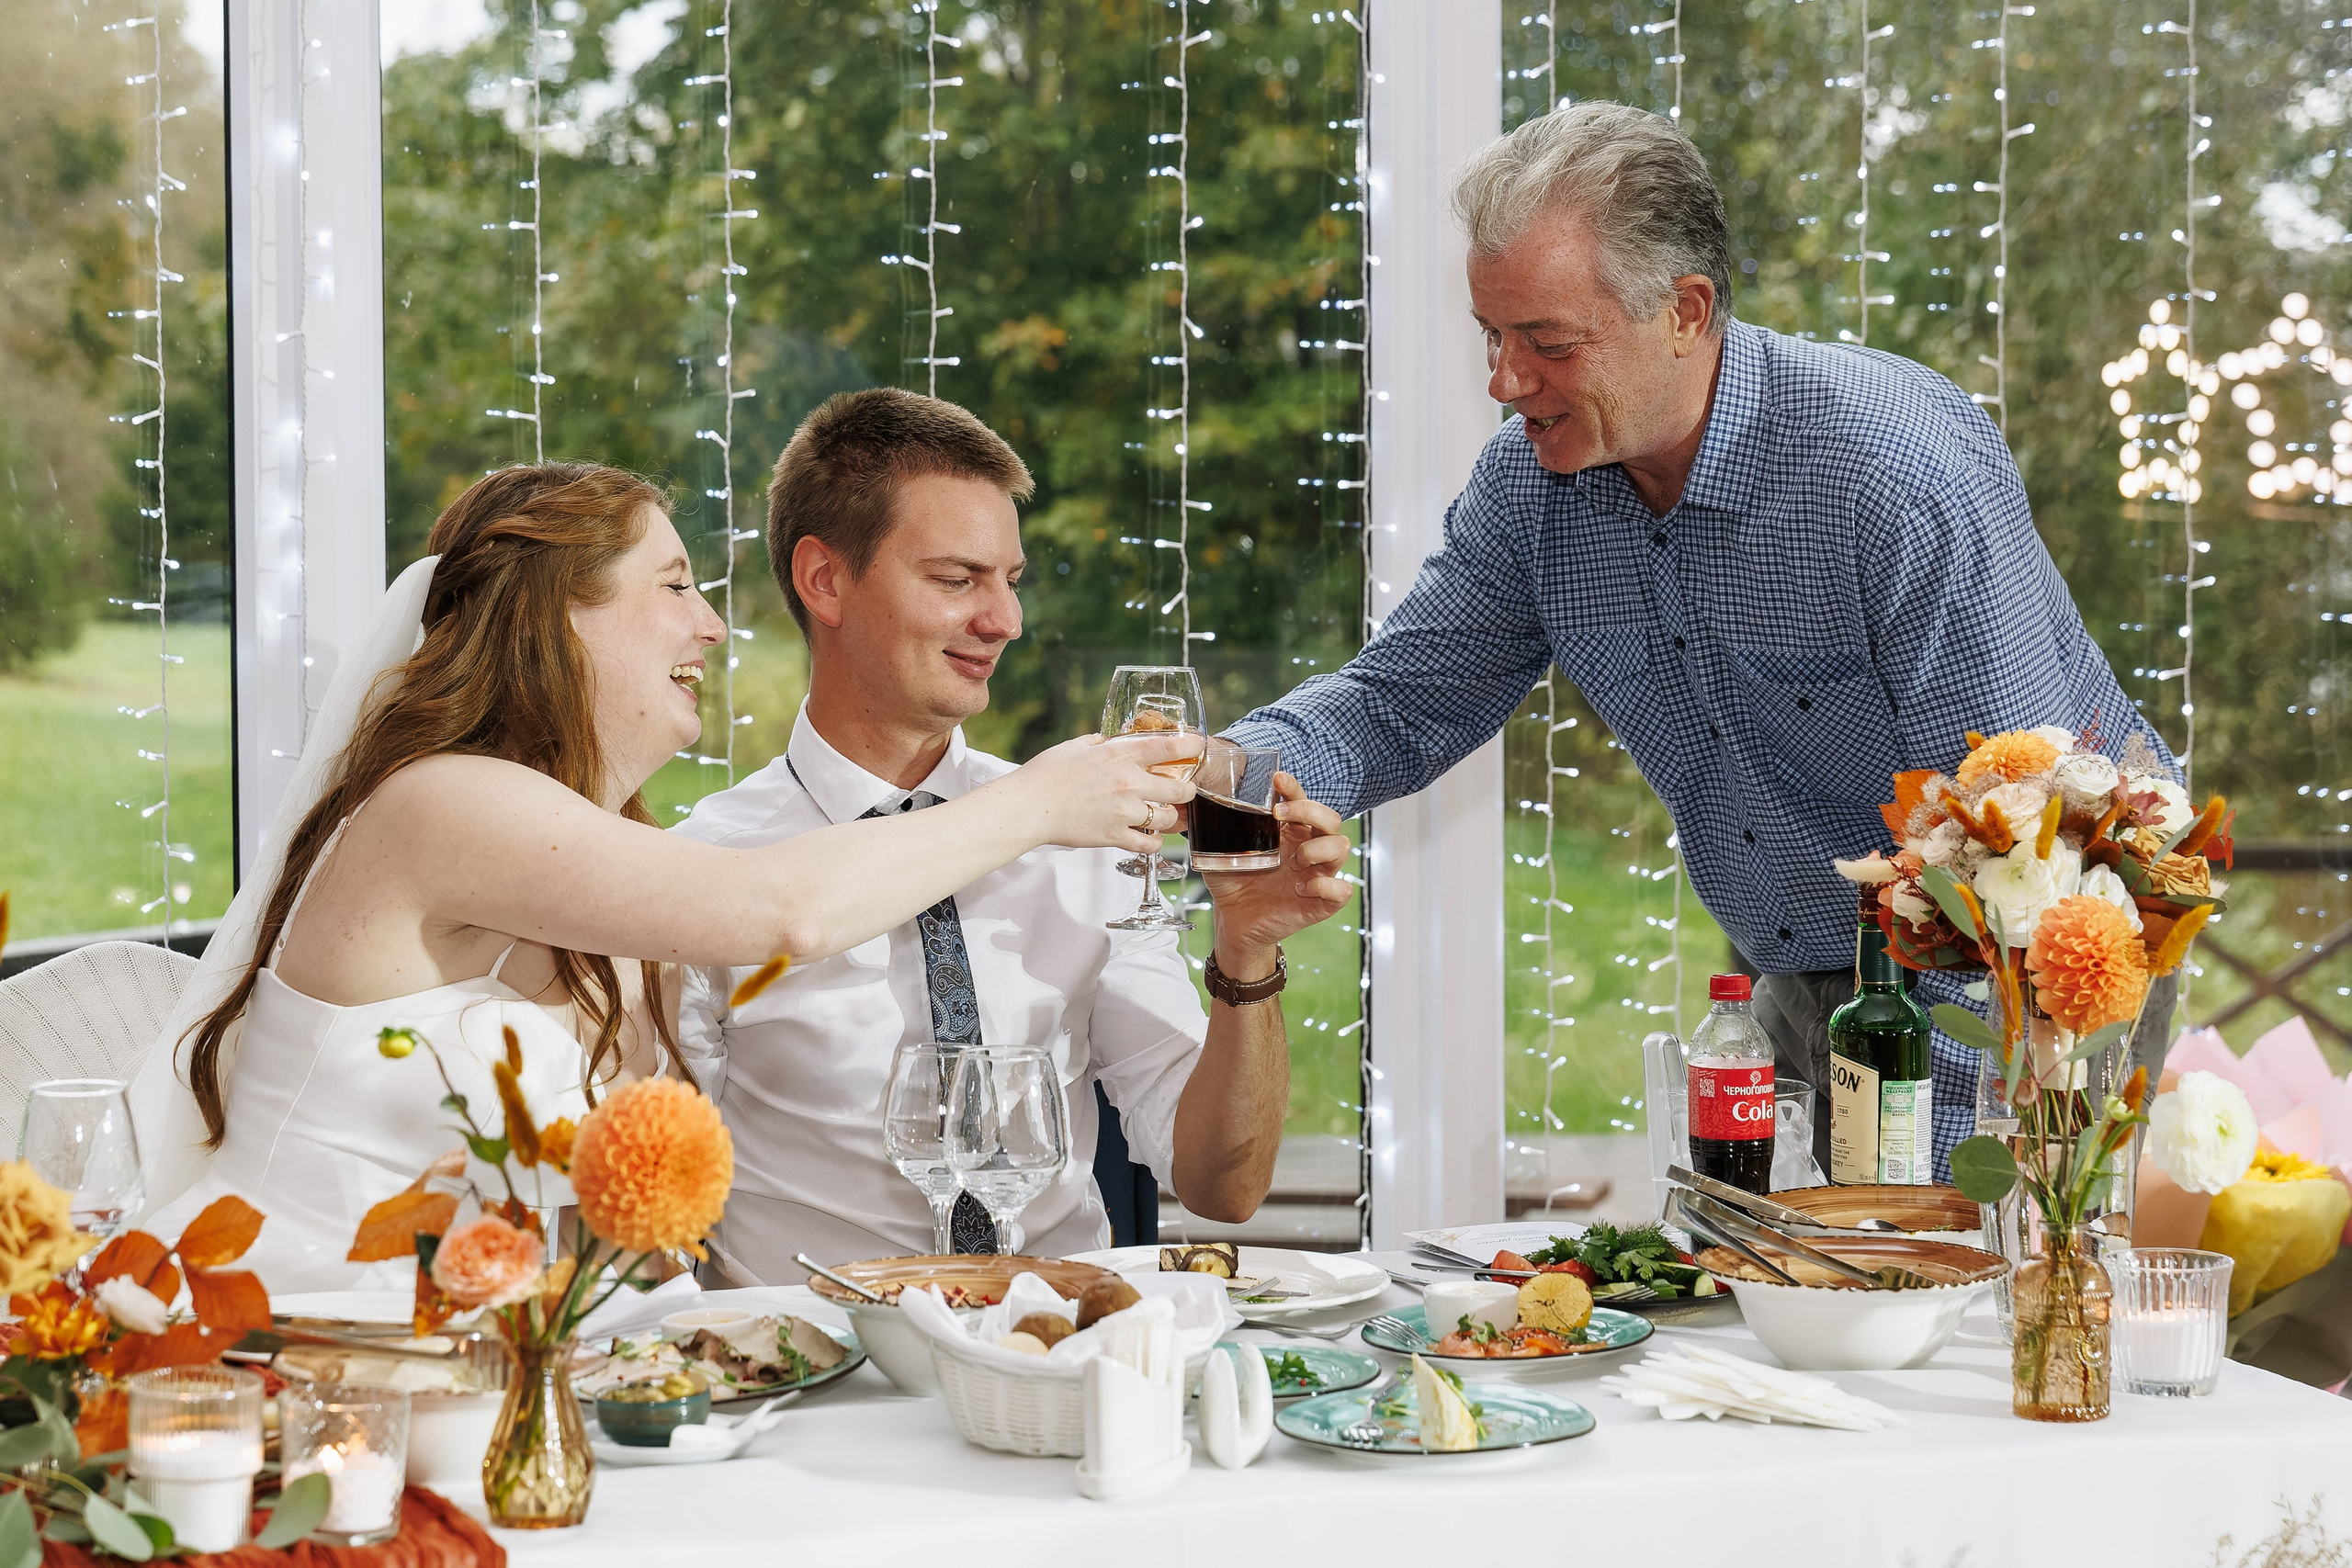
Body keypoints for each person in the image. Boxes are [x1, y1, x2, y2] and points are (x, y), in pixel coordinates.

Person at [1224, 101, 2178, 1179]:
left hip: (2036, 962)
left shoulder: (1887, 472)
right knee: (1768, 1289)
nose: (1503, 381)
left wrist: (1935, 1203)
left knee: (1964, 1300)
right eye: (1493, 338)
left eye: (1547, 343)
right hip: (1807, 961)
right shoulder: (1530, 493)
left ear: (1685, 309)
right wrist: (1219, 774)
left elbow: (2022, 838)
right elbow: (1399, 702)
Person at [130, 462, 1200, 1291]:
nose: (714, 623)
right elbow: (787, 911)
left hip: (494, 1358)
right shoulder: (440, 802)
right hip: (282, 1332)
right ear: (557, 613)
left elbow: (627, 1228)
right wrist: (1042, 801)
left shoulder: (609, 868)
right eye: (676, 584)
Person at [673, 389, 1355, 1280]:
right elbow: (653, 1211)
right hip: (824, 1379)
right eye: (957, 580)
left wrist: (1247, 958)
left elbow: (1223, 1188)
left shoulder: (1084, 833)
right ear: (824, 580)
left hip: (1057, 1357)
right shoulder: (705, 865)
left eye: (1010, 580)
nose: (1005, 622)